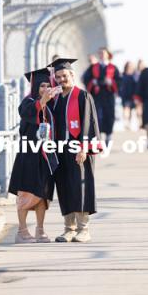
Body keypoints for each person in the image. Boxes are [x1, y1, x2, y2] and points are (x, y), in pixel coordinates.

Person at [51, 58, 102, 243]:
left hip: (78, 149)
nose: (61, 79)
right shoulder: (55, 98)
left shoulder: (82, 96)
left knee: (80, 187)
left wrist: (84, 148)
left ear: (72, 75)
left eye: (64, 75)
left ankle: (84, 229)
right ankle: (69, 229)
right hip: (60, 149)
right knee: (64, 187)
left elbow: (89, 124)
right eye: (58, 77)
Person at [8, 67, 58, 243]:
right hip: (29, 155)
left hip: (45, 156)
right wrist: (43, 101)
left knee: (42, 194)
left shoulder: (51, 105)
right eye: (41, 85)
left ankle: (40, 230)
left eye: (47, 85)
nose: (45, 89)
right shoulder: (27, 102)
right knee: (26, 193)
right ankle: (21, 231)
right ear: (35, 86)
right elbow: (28, 114)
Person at [82, 47, 121, 144]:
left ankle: (108, 134)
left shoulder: (113, 68)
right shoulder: (93, 67)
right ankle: (97, 135)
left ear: (108, 54)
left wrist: (111, 82)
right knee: (97, 114)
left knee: (109, 114)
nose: (102, 55)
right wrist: (92, 81)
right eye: (100, 53)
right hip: (97, 94)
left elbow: (119, 81)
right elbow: (86, 78)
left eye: (104, 53)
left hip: (108, 94)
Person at [120, 61, 137, 129]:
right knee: (126, 108)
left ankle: (129, 123)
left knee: (130, 110)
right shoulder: (122, 75)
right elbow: (120, 85)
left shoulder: (134, 75)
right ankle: (126, 123)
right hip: (125, 95)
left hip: (132, 95)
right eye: (128, 66)